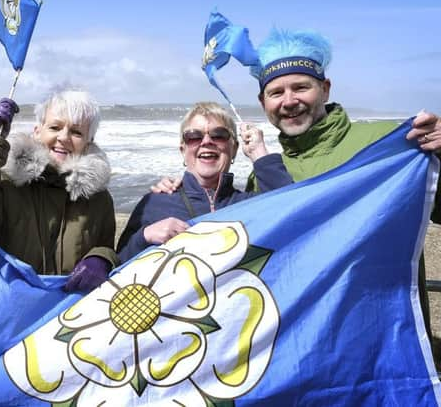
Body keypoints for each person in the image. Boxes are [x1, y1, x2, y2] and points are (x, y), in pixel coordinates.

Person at [154, 28, 441, 334]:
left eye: (301, 87)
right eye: (276, 93)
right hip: (305, 337)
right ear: (263, 102)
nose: (289, 101)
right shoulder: (262, 175)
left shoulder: (388, 144)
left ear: (325, 89)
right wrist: (179, 188)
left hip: (386, 331)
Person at [0, 89, 118, 292]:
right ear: (37, 131)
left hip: (65, 315)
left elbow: (106, 246)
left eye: (77, 132)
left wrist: (102, 258)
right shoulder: (4, 179)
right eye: (55, 127)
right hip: (5, 306)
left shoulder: (98, 198)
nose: (64, 137)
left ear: (89, 142)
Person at [116, 101, 293, 263]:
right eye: (194, 136)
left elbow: (294, 214)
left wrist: (259, 153)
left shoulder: (249, 204)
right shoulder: (155, 202)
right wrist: (144, 236)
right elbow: (119, 264)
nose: (207, 141)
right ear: (183, 150)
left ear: (234, 148)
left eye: (219, 135)